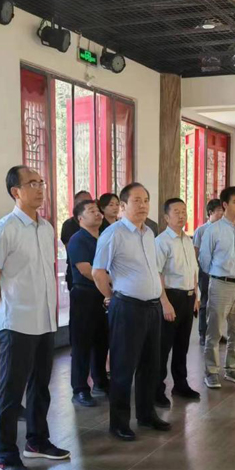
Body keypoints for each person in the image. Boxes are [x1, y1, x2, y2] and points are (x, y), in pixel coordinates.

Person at [0, 165, 70, 470]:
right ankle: (5, 456)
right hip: (16, 322)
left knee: (40, 387)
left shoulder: (45, 228)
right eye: (31, 183)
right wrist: (2, 318)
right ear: (15, 192)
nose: (39, 187)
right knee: (11, 393)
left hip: (44, 320)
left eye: (41, 182)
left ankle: (37, 441)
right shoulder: (4, 229)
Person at [92, 182, 171, 441]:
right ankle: (119, 423)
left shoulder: (149, 233)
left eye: (146, 200)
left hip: (152, 308)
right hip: (127, 308)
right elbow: (98, 272)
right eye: (136, 201)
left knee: (150, 365)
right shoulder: (113, 234)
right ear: (123, 206)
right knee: (123, 368)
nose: (143, 205)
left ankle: (146, 415)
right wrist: (111, 297)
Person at [198, 186, 235, 389]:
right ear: (225, 204)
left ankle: (232, 368)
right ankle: (211, 372)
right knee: (214, 331)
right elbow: (204, 260)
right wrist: (218, 273)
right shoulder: (213, 230)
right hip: (220, 284)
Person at [155, 198, 201, 406]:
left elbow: (194, 270)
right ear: (166, 217)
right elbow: (157, 274)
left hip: (188, 298)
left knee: (182, 345)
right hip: (170, 297)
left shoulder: (187, 240)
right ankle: (156, 389)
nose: (182, 215)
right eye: (176, 212)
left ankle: (180, 384)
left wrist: (196, 296)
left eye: (184, 211)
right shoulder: (161, 241)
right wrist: (165, 303)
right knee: (163, 347)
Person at [67, 199, 109, 407]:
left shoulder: (104, 237)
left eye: (98, 210)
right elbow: (85, 270)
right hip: (85, 296)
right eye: (91, 211)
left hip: (103, 295)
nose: (98, 213)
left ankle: (100, 382)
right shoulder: (78, 239)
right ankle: (80, 389)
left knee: (102, 342)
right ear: (80, 218)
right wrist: (111, 281)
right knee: (82, 345)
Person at [193, 199, 224, 346]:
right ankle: (203, 333)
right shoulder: (201, 230)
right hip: (205, 271)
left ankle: (217, 333)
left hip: (221, 271)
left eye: (223, 210)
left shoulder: (224, 229)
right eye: (219, 211)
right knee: (205, 302)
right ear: (210, 212)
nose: (221, 214)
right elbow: (196, 252)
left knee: (219, 305)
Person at [60, 190, 93, 290]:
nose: (88, 204)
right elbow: (72, 251)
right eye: (84, 202)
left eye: (90, 201)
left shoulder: (97, 224)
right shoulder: (69, 225)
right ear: (76, 205)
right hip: (77, 276)